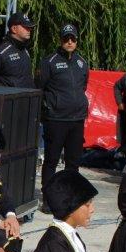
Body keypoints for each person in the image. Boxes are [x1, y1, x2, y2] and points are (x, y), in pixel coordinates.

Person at [37, 23, 90, 177]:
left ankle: (71, 198)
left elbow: (83, 86)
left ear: (76, 41)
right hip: (56, 119)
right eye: (66, 39)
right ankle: (48, 197)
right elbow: (40, 86)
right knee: (51, 160)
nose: (69, 42)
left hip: (77, 119)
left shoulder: (82, 62)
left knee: (73, 163)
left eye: (72, 39)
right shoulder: (49, 61)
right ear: (60, 40)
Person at [0, 12, 34, 88]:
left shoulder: (25, 50)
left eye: (30, 27)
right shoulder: (1, 53)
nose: (29, 29)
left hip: (25, 98)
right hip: (7, 99)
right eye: (25, 27)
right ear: (14, 29)